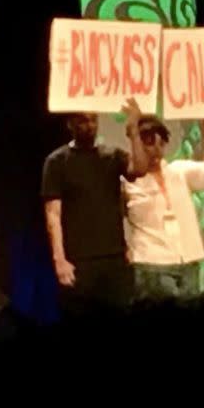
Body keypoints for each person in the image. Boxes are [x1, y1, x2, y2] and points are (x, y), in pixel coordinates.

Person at [41, 99, 149, 317]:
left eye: (93, 120)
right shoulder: (57, 161)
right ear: (70, 124)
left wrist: (134, 129)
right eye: (82, 121)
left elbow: (139, 168)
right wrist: (59, 259)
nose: (89, 126)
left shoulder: (111, 155)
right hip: (79, 261)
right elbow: (53, 214)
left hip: (114, 258)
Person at [123, 112, 204, 301]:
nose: (156, 150)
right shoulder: (128, 181)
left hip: (188, 261)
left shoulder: (178, 171)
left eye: (161, 143)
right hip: (151, 262)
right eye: (149, 143)